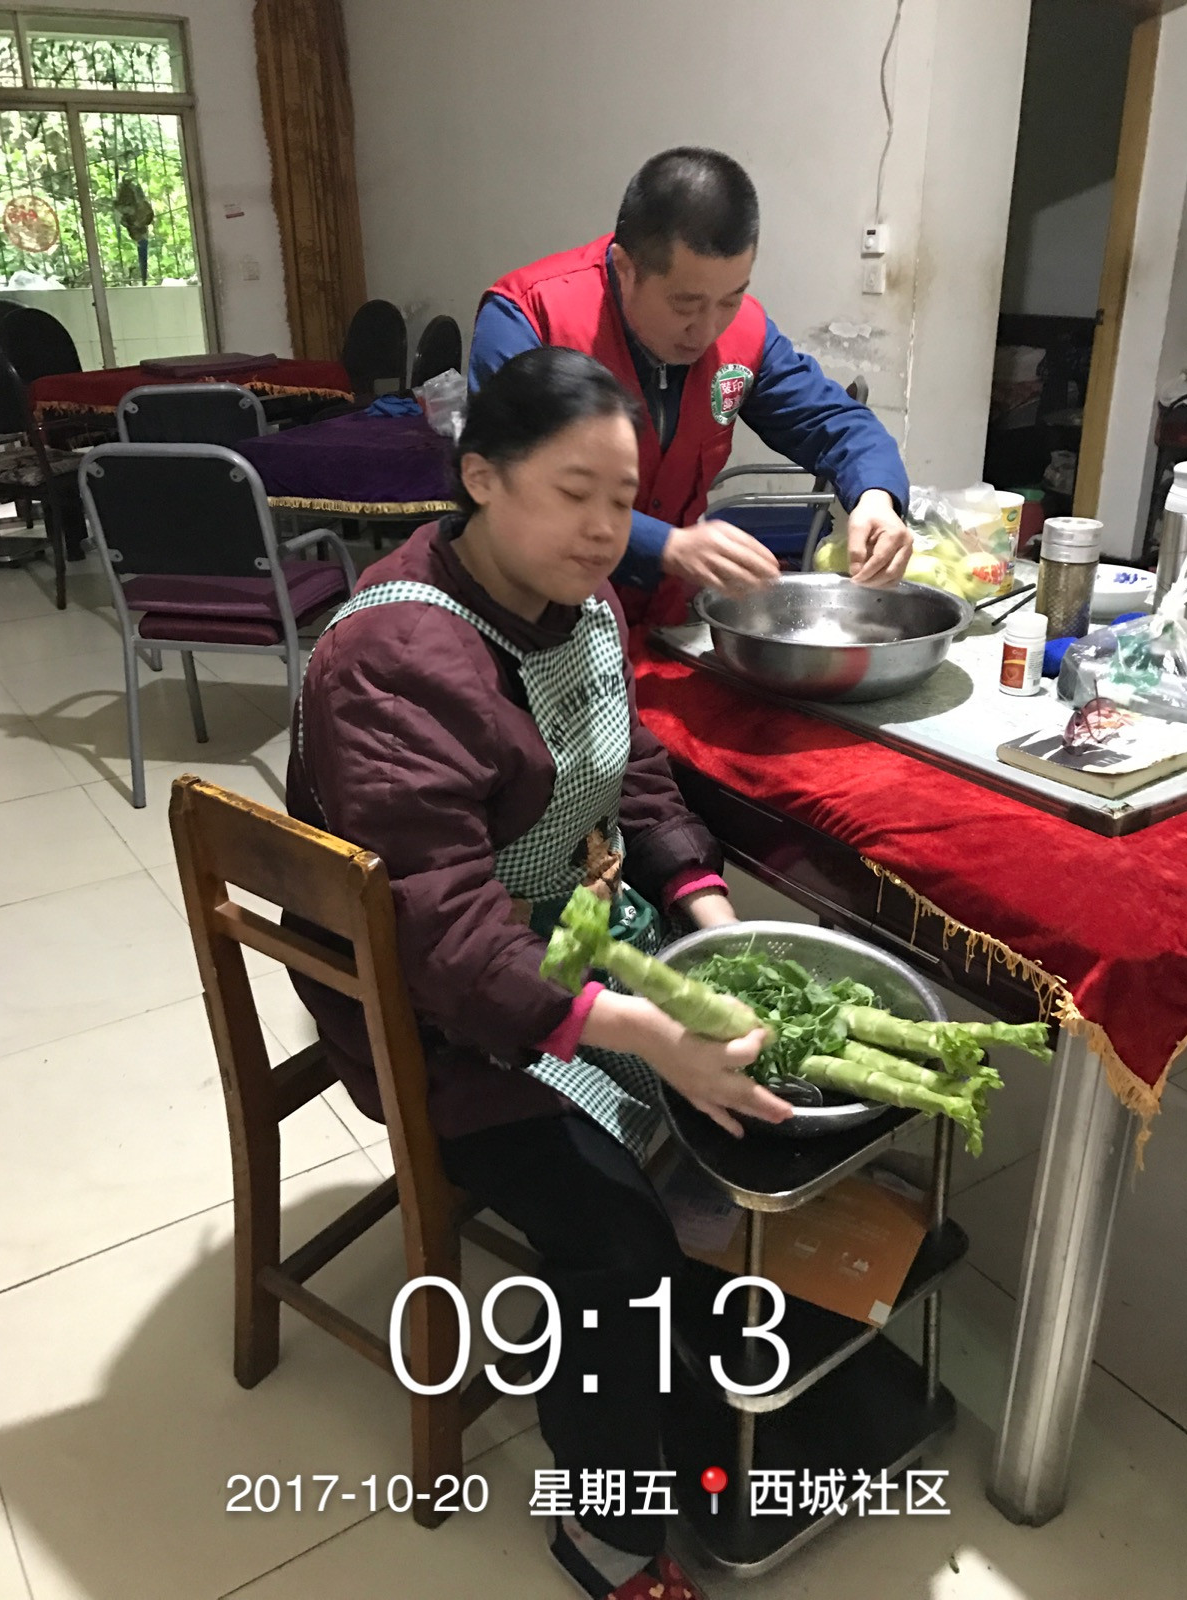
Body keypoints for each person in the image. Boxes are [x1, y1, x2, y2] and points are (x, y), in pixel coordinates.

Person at [286, 347, 793, 1600]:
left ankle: (683, 1363)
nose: (607, 529)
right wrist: (646, 1029)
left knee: (761, 1096)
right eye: (575, 493)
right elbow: (449, 945)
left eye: (623, 499)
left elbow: (633, 772)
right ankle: (608, 1533)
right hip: (437, 1017)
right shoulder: (398, 658)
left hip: (572, 933)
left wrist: (706, 911)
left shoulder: (585, 599)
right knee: (615, 1234)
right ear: (480, 477)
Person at [470, 146, 913, 625]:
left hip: (663, 622)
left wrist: (877, 497)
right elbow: (515, 484)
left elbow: (837, 423)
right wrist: (665, 545)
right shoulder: (531, 317)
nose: (707, 330)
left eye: (730, 299)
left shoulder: (745, 335)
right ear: (625, 269)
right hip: (535, 624)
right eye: (685, 304)